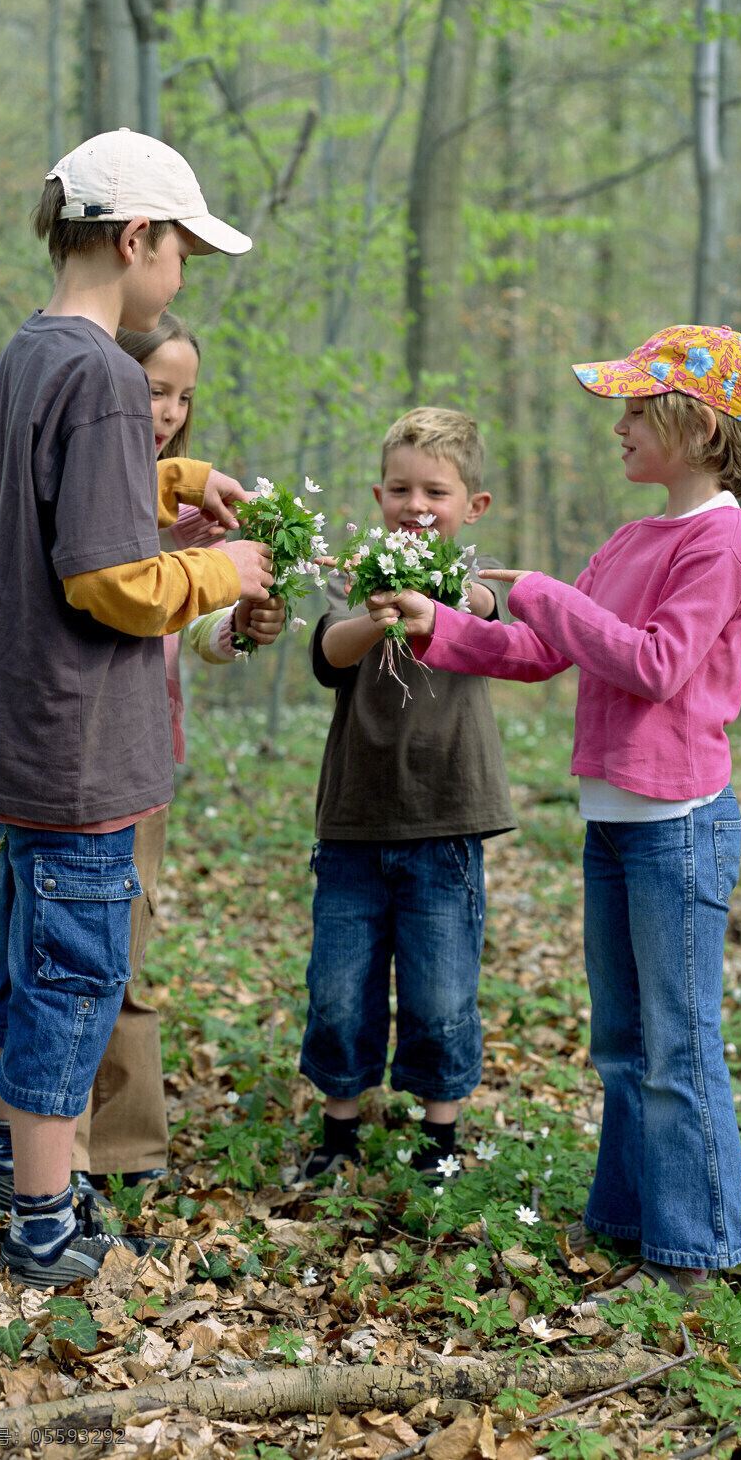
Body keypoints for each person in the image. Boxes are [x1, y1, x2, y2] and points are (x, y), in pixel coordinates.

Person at [373, 326, 741, 1300]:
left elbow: (655, 665)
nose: (622, 428)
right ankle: (630, 1224)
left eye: (638, 410)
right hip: (617, 822)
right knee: (624, 1042)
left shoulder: (722, 539)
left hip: (680, 826)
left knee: (679, 1043)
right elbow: (541, 651)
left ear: (694, 421)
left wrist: (546, 592)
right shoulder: (634, 538)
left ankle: (694, 1260)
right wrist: (444, 627)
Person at [0, 128, 274, 1289]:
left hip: (20, 724)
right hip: (79, 741)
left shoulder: (35, 353)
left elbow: (60, 499)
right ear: (134, 238)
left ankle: (0, 1156)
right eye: (179, 244)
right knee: (74, 977)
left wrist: (176, 481)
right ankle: (42, 1215)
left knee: (26, 958)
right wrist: (218, 574)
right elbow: (102, 579)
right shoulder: (98, 374)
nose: (183, 266)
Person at [70, 313, 286, 1196]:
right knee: (61, 954)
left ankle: (126, 1147)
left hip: (149, 754)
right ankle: (49, 1148)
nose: (169, 410)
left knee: (126, 947)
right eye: (156, 388)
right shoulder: (91, 488)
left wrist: (238, 625)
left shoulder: (196, 515)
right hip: (73, 755)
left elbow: (195, 634)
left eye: (183, 396)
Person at [298, 407, 516, 1180]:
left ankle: (439, 1141)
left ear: (471, 507)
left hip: (445, 822)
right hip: (354, 824)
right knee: (338, 988)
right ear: (378, 496)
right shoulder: (353, 580)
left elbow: (494, 621)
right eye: (400, 489)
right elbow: (328, 649)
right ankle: (339, 1137)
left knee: (442, 991)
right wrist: (375, 615)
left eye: (436, 491)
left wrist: (448, 605)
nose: (417, 505)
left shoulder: (474, 586)